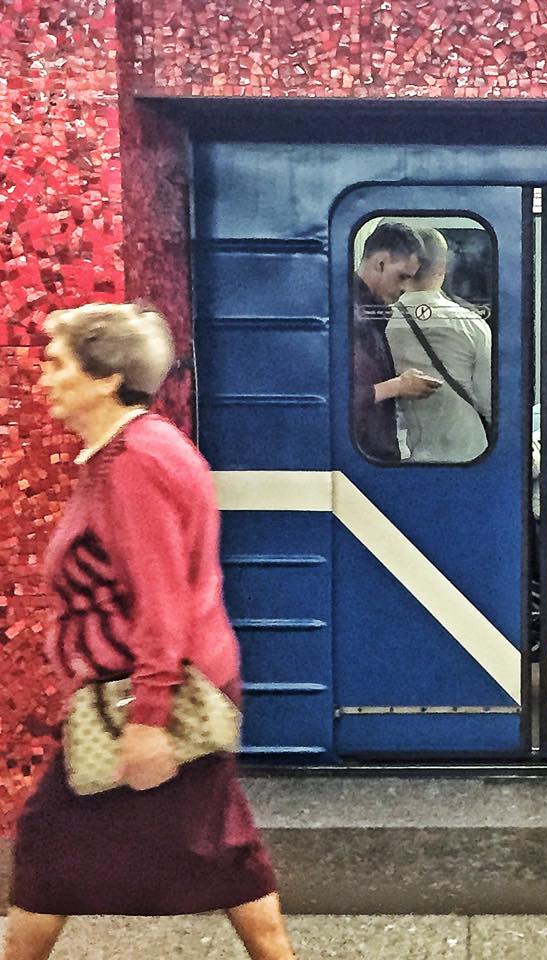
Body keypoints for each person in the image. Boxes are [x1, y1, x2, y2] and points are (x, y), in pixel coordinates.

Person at [4, 303, 295, 960]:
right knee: (223, 854)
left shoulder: (132, 463)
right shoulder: (131, 450)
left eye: (56, 365)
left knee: (49, 843)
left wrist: (148, 716)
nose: (42, 379)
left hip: (145, 699)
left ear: (105, 378)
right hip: (157, 689)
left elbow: (160, 603)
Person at [386, 227, 491, 463]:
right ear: (443, 267)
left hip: (406, 457)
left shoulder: (382, 322)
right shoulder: (470, 323)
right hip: (467, 453)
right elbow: (489, 400)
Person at [353, 221, 440, 460]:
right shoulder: (347, 314)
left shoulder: (373, 312)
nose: (405, 288)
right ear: (380, 263)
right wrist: (398, 386)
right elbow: (338, 398)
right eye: (402, 277)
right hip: (361, 456)